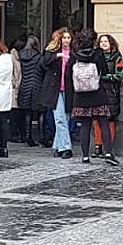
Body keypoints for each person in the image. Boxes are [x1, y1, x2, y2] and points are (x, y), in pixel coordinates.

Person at [69, 29, 116, 165]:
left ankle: (85, 156)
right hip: (97, 93)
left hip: (81, 95)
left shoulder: (74, 55)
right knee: (103, 122)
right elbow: (105, 70)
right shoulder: (98, 54)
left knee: (85, 125)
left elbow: (68, 74)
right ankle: (107, 152)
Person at [38, 28, 74, 159]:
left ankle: (57, 146)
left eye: (68, 38)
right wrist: (56, 56)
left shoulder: (74, 53)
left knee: (66, 118)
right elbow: (42, 64)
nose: (66, 40)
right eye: (64, 38)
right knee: (59, 118)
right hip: (54, 89)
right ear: (59, 39)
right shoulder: (51, 51)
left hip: (69, 89)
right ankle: (66, 148)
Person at [92, 33, 123, 157]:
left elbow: (119, 76)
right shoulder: (96, 57)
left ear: (111, 43)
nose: (103, 44)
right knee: (96, 119)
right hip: (97, 91)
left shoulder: (117, 58)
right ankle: (98, 146)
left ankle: (108, 147)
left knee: (110, 119)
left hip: (111, 91)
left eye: (106, 41)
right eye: (101, 42)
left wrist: (105, 77)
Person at [13, 36, 43, 147]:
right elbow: (42, 70)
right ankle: (40, 137)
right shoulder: (38, 57)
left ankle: (27, 136)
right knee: (39, 112)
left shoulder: (20, 55)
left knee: (26, 113)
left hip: (24, 85)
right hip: (36, 86)